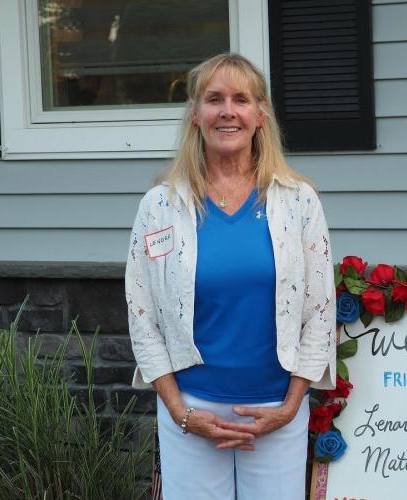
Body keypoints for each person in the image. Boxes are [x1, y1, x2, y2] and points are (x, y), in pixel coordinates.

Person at [125, 53, 336, 500]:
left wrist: (292, 405)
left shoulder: (299, 202)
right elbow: (142, 317)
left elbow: (320, 311)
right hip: (193, 410)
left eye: (241, 99)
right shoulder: (160, 205)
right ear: (195, 116)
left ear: (260, 116)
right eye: (214, 99)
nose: (227, 111)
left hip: (276, 411)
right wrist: (181, 412)